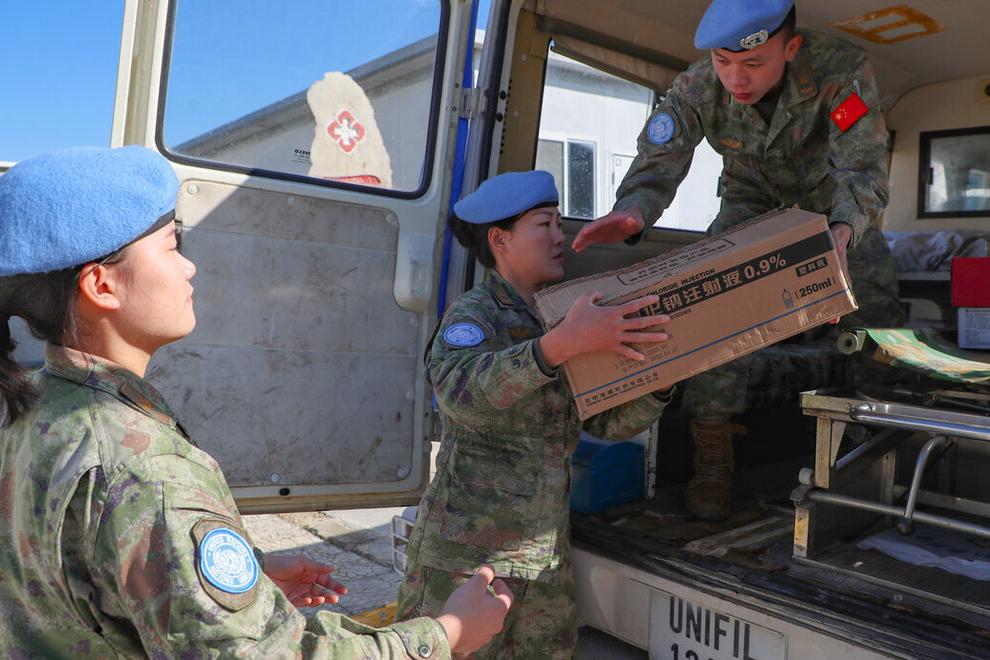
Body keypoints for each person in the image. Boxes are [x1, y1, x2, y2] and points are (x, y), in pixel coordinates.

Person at [0, 145, 512, 658]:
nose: (189, 268)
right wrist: (446, 634)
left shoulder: (35, 406)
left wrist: (244, 578)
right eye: (172, 246)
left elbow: (72, 571)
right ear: (101, 285)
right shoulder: (146, 469)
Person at [570, 0, 904, 520]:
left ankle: (877, 441)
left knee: (880, 317)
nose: (736, 79)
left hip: (835, 210)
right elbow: (661, 156)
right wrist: (634, 211)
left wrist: (843, 231)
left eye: (752, 64)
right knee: (711, 312)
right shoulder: (698, 86)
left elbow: (862, 169)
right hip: (751, 205)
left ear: (791, 49)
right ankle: (712, 456)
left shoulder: (840, 71)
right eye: (724, 62)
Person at [394, 170, 674, 658]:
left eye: (558, 224)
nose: (559, 236)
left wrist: (661, 380)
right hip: (467, 564)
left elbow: (605, 422)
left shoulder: (562, 316)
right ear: (500, 239)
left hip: (543, 565)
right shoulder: (475, 315)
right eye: (544, 224)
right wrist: (556, 347)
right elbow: (461, 394)